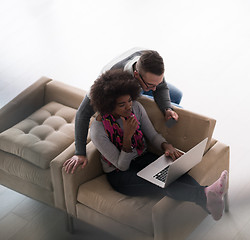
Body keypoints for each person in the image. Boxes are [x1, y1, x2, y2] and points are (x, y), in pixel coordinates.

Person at [64, 69, 228, 220]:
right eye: (122, 105)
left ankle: (207, 196)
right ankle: (207, 195)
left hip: (143, 157)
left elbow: (152, 135)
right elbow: (122, 166)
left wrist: (166, 146)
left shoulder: (136, 107)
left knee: (175, 171)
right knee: (160, 182)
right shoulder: (98, 130)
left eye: (129, 100)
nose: (129, 106)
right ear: (108, 105)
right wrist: (127, 137)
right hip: (119, 175)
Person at [66, 49, 182, 172]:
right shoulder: (110, 79)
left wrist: (167, 109)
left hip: (140, 79)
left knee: (177, 95)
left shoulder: (148, 62)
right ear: (137, 75)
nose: (154, 89)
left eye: (157, 83)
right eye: (151, 86)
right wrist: (80, 152)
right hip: (118, 83)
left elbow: (161, 87)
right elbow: (82, 114)